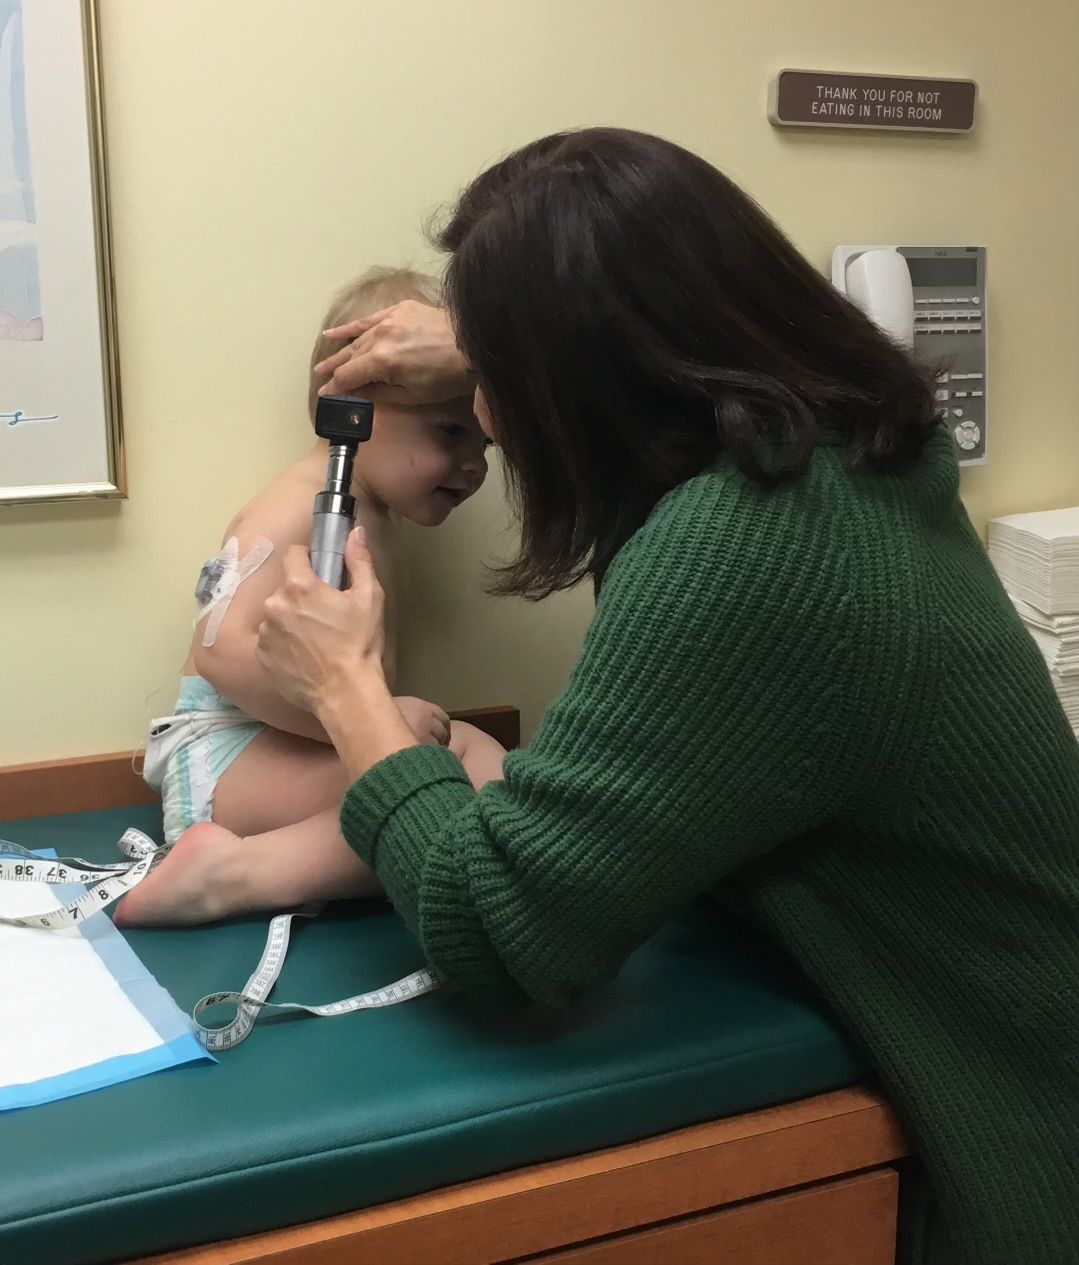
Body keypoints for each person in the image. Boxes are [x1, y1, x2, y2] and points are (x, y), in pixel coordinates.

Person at [129, 129, 1077, 1265]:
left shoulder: (743, 547)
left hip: (1024, 1142)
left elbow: (503, 935)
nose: (484, 423)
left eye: (492, 384)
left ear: (573, 370)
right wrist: (486, 327)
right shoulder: (843, 465)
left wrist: (347, 691)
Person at [118, 266, 505, 924]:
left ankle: (259, 863)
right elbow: (219, 652)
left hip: (261, 759)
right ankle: (230, 873)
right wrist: (364, 717)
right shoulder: (303, 506)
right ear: (350, 405)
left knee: (464, 798)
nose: (475, 465)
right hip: (222, 758)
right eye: (449, 432)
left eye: (484, 441)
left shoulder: (367, 514)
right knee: (463, 765)